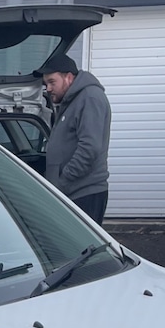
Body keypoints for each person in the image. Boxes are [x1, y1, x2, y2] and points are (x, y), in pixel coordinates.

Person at [37, 54, 111, 223]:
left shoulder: (90, 98)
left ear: (68, 77)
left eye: (52, 82)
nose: (48, 88)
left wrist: (63, 182)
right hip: (71, 193)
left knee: (82, 248)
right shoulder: (72, 100)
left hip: (84, 194)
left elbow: (89, 148)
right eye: (46, 83)